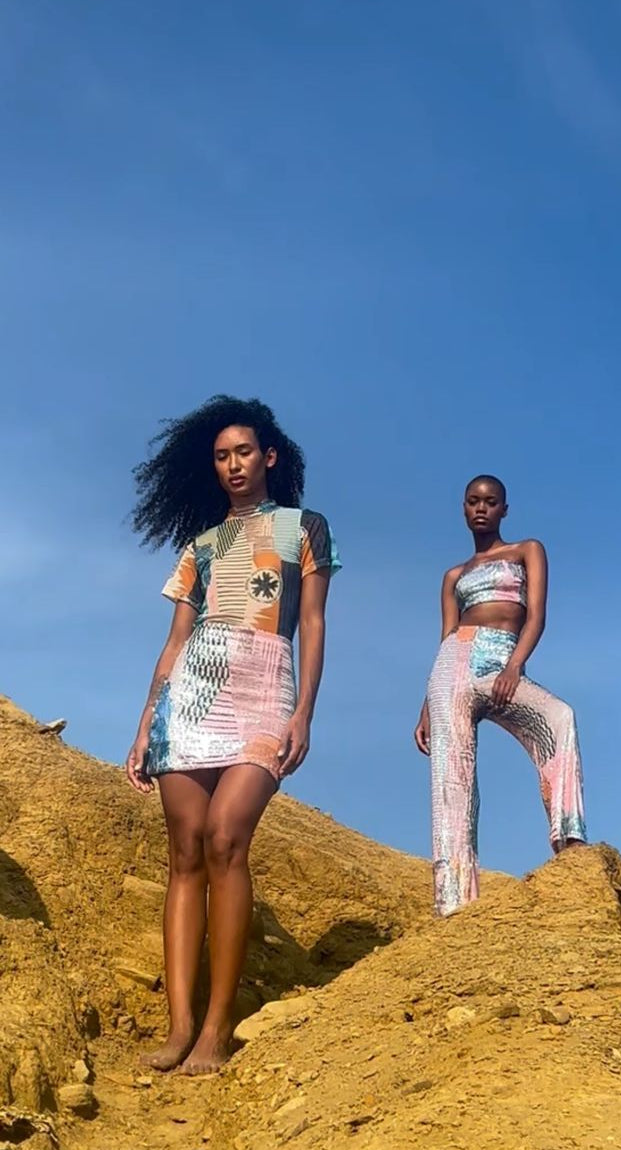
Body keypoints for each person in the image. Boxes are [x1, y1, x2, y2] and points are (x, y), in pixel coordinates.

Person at [126, 395, 340, 1074]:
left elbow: (313, 623)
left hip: (264, 689)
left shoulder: (305, 527)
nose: (233, 465)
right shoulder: (200, 546)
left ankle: (219, 1028)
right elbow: (174, 641)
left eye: (243, 452)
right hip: (190, 696)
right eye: (222, 457)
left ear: (269, 455)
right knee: (185, 853)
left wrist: (303, 711)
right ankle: (181, 1024)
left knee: (227, 838)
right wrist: (144, 727)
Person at [414, 475, 585, 916]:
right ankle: (454, 902)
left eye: (491, 502)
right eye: (473, 501)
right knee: (452, 782)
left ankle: (568, 838)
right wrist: (426, 707)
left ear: (504, 509)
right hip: (453, 665)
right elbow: (446, 635)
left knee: (558, 717)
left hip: (503, 662)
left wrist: (514, 666)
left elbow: (537, 617)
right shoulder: (454, 575)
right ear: (464, 508)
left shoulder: (527, 550)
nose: (481, 508)